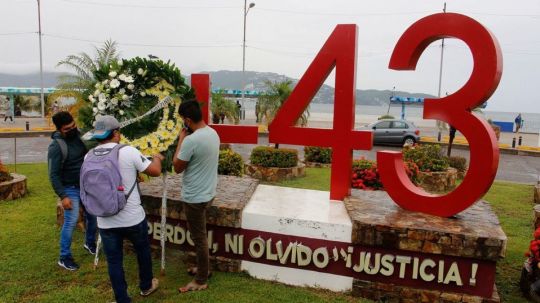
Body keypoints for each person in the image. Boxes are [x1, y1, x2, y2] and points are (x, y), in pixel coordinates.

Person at [83, 115, 162, 303]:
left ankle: (122, 298)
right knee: (142, 251)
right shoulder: (128, 152)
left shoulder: (89, 155)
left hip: (105, 219)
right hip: (132, 217)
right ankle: (146, 286)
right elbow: (155, 171)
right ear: (116, 133)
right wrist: (157, 158)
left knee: (114, 261)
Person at [173, 100, 220, 293]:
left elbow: (177, 166)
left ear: (187, 120)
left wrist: (181, 139)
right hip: (208, 194)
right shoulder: (213, 133)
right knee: (200, 236)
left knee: (199, 238)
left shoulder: (191, 140)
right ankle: (203, 268)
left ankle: (201, 279)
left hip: (194, 197)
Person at [48, 111, 97, 270]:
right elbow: (53, 174)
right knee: (71, 221)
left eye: (73, 125)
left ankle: (90, 243)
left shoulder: (81, 136)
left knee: (94, 216)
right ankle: (64, 257)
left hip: (86, 186)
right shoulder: (56, 146)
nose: (72, 129)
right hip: (70, 189)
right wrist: (63, 196)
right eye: (68, 128)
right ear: (59, 129)